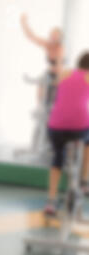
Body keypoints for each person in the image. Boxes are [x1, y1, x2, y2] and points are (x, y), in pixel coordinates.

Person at [43, 53, 89, 216]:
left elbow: (53, 87)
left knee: (57, 158)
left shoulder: (65, 73)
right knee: (87, 140)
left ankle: (51, 202)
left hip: (56, 125)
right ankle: (84, 180)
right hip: (79, 127)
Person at [21, 13, 65, 107]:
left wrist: (57, 79)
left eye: (56, 36)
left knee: (51, 97)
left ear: (59, 38)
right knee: (42, 84)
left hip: (58, 75)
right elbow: (31, 37)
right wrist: (24, 22)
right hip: (50, 75)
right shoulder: (47, 44)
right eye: (52, 35)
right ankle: (39, 107)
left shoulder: (60, 48)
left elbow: (59, 67)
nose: (53, 37)